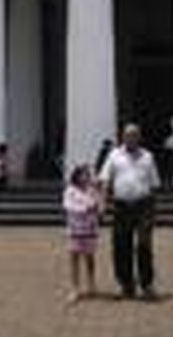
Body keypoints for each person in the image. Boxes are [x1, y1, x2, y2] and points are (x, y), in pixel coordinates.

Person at [98, 123, 161, 299]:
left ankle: (147, 284)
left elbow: (154, 184)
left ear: (139, 137)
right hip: (121, 206)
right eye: (128, 135)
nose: (131, 138)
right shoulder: (114, 155)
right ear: (122, 137)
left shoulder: (148, 157)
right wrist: (102, 202)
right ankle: (126, 284)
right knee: (121, 246)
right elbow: (105, 180)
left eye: (134, 135)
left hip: (144, 205)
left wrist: (153, 209)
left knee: (144, 245)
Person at [63, 164, 102, 303]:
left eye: (87, 175)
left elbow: (97, 205)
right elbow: (68, 206)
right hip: (75, 230)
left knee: (90, 259)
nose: (85, 177)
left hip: (90, 229)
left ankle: (91, 285)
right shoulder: (70, 190)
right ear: (76, 176)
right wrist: (85, 208)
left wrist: (94, 206)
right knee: (74, 259)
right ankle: (74, 288)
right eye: (83, 174)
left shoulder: (92, 190)